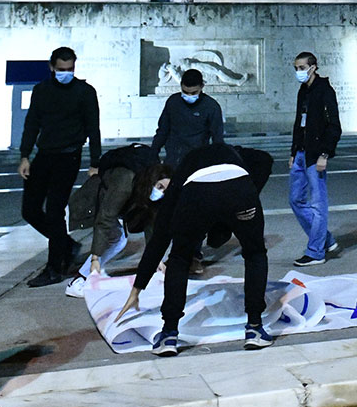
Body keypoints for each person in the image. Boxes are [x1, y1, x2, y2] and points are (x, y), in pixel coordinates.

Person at [116, 142, 276, 356]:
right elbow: (265, 159)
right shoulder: (235, 152)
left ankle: (169, 334)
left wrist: (137, 289)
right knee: (255, 253)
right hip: (240, 189)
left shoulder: (180, 179)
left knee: (180, 259)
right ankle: (255, 329)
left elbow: (159, 240)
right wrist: (249, 194)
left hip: (198, 193)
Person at [19, 46, 102, 287]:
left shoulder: (84, 92)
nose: (65, 73)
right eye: (61, 69)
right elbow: (32, 123)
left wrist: (95, 163)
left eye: (70, 69)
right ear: (51, 67)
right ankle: (66, 244)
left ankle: (55, 267)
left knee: (55, 212)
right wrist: (25, 156)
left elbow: (93, 129)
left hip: (68, 157)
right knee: (30, 210)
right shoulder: (42, 90)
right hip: (44, 155)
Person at [64, 142, 163, 296]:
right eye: (160, 188)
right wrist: (95, 258)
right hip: (91, 202)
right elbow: (104, 219)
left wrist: (156, 259)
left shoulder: (151, 181)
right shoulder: (126, 182)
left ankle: (92, 274)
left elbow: (151, 223)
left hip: (108, 202)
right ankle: (79, 280)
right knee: (116, 240)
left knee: (118, 240)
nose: (161, 192)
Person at [289, 51, 341, 266]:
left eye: (302, 68)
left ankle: (315, 252)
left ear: (313, 67)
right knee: (295, 200)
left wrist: (324, 154)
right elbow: (298, 122)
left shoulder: (325, 91)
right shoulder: (303, 90)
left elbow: (334, 126)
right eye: (296, 68)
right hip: (301, 152)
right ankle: (326, 239)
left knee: (318, 204)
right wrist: (293, 152)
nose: (298, 72)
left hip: (316, 155)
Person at [151, 68, 224, 167]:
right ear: (181, 85)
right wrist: (153, 152)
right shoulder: (173, 102)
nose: (189, 96)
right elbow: (162, 130)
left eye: (194, 93)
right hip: (173, 158)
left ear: (202, 86)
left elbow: (217, 137)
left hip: (198, 159)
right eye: (185, 92)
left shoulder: (211, 107)